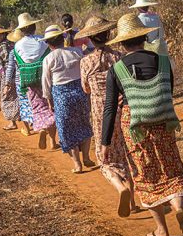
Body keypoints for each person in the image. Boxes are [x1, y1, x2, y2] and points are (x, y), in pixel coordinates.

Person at [101, 13, 183, 236]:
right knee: (171, 167)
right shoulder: (162, 61)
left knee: (145, 174)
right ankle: (178, 207)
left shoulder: (117, 69)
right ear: (144, 37)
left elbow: (110, 109)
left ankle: (162, 230)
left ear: (122, 43)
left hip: (135, 128)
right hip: (163, 123)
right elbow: (168, 93)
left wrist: (105, 143)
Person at [77, 16, 140, 216]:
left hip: (99, 110)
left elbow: (85, 88)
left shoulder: (86, 61)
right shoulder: (119, 57)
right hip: (121, 107)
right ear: (109, 34)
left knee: (104, 156)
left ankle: (119, 187)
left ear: (90, 39)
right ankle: (132, 203)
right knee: (125, 153)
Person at [41, 24, 94, 173]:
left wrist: (49, 100)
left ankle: (77, 164)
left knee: (66, 130)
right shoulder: (76, 51)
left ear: (48, 43)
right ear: (63, 39)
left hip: (61, 95)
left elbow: (46, 83)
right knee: (84, 124)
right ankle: (87, 157)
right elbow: (85, 71)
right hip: (80, 92)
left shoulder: (49, 58)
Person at [14, 13, 57, 150]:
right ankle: (52, 141)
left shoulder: (17, 46)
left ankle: (42, 129)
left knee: (38, 108)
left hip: (29, 81)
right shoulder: (42, 41)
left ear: (21, 30)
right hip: (46, 78)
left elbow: (18, 64)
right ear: (34, 26)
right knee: (51, 107)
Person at [0, 25, 20, 131]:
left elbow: (6, 62)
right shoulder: (11, 42)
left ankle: (12, 122)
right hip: (17, 72)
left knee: (7, 96)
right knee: (17, 95)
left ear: (2, 34)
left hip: (7, 73)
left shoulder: (3, 45)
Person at [6, 29, 34, 136]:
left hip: (20, 80)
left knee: (23, 103)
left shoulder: (13, 51)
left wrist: (7, 83)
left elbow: (10, 68)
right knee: (33, 101)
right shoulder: (30, 48)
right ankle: (35, 123)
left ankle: (26, 129)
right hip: (32, 77)